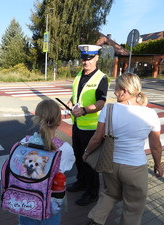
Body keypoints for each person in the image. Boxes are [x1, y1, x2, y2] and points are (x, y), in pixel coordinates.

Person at [83, 72, 163, 225]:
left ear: (125, 91)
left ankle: (95, 220)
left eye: (117, 89)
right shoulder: (151, 114)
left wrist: (86, 153)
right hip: (135, 167)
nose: (114, 92)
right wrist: (158, 165)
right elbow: (156, 146)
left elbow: (96, 138)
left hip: (110, 164)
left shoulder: (109, 109)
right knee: (133, 206)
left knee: (109, 195)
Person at [19, 99, 75, 225]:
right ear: (59, 121)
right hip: (50, 204)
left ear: (37, 118)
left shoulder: (24, 142)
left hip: (26, 201)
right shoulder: (65, 149)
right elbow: (66, 167)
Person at [66, 44, 110, 206]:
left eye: (89, 58)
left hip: (92, 128)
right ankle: (81, 182)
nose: (86, 62)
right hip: (77, 124)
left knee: (90, 161)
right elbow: (75, 95)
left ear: (97, 57)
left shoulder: (101, 78)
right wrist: (70, 103)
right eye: (84, 58)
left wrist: (84, 110)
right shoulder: (79, 75)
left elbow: (101, 102)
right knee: (79, 157)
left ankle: (92, 192)